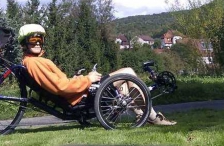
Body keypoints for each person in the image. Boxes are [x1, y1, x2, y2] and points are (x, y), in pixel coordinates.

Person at [20, 24, 176, 126]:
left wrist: (78, 79)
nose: (38, 43)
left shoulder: (34, 61)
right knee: (128, 72)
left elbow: (61, 83)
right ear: (25, 43)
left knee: (124, 84)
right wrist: (88, 79)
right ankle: (153, 117)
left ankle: (143, 115)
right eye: (33, 40)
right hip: (81, 97)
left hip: (80, 93)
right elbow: (61, 87)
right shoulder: (34, 63)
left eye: (40, 39)